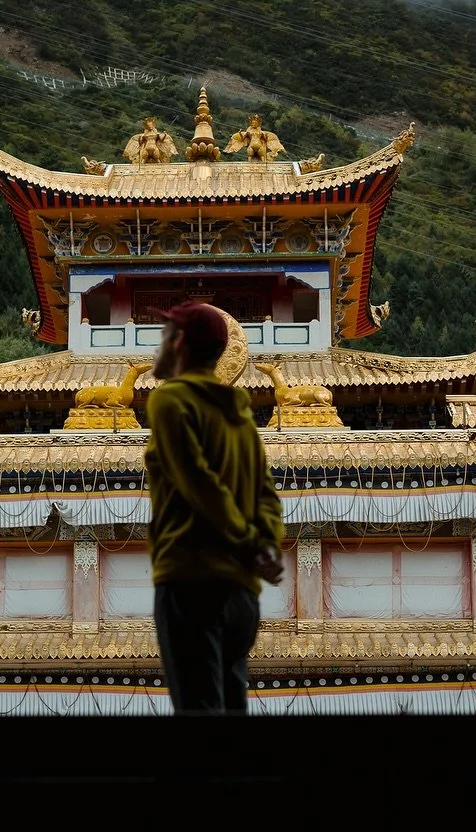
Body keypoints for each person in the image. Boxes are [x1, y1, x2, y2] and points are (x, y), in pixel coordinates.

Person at [145, 301, 285, 715]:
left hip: (192, 579)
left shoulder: (171, 403)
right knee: (231, 706)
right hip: (242, 592)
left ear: (181, 344)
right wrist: (264, 545)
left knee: (199, 712)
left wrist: (246, 544)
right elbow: (266, 495)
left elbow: (199, 483)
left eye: (165, 337)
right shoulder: (241, 417)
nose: (159, 347)